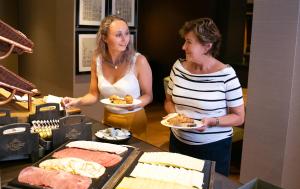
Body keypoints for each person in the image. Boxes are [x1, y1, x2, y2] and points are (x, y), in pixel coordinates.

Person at [164, 18, 245, 176]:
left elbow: (239, 117)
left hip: (213, 148)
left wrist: (212, 122)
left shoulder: (226, 75)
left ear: (207, 46)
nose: (183, 47)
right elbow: (169, 101)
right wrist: (174, 115)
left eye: (189, 42)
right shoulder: (178, 67)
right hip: (177, 143)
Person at [62, 15, 153, 140]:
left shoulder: (139, 61)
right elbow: (93, 95)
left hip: (135, 121)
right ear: (104, 38)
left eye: (126, 33)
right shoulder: (97, 59)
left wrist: (135, 105)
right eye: (118, 35)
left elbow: (148, 95)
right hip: (108, 119)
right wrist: (76, 101)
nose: (124, 39)